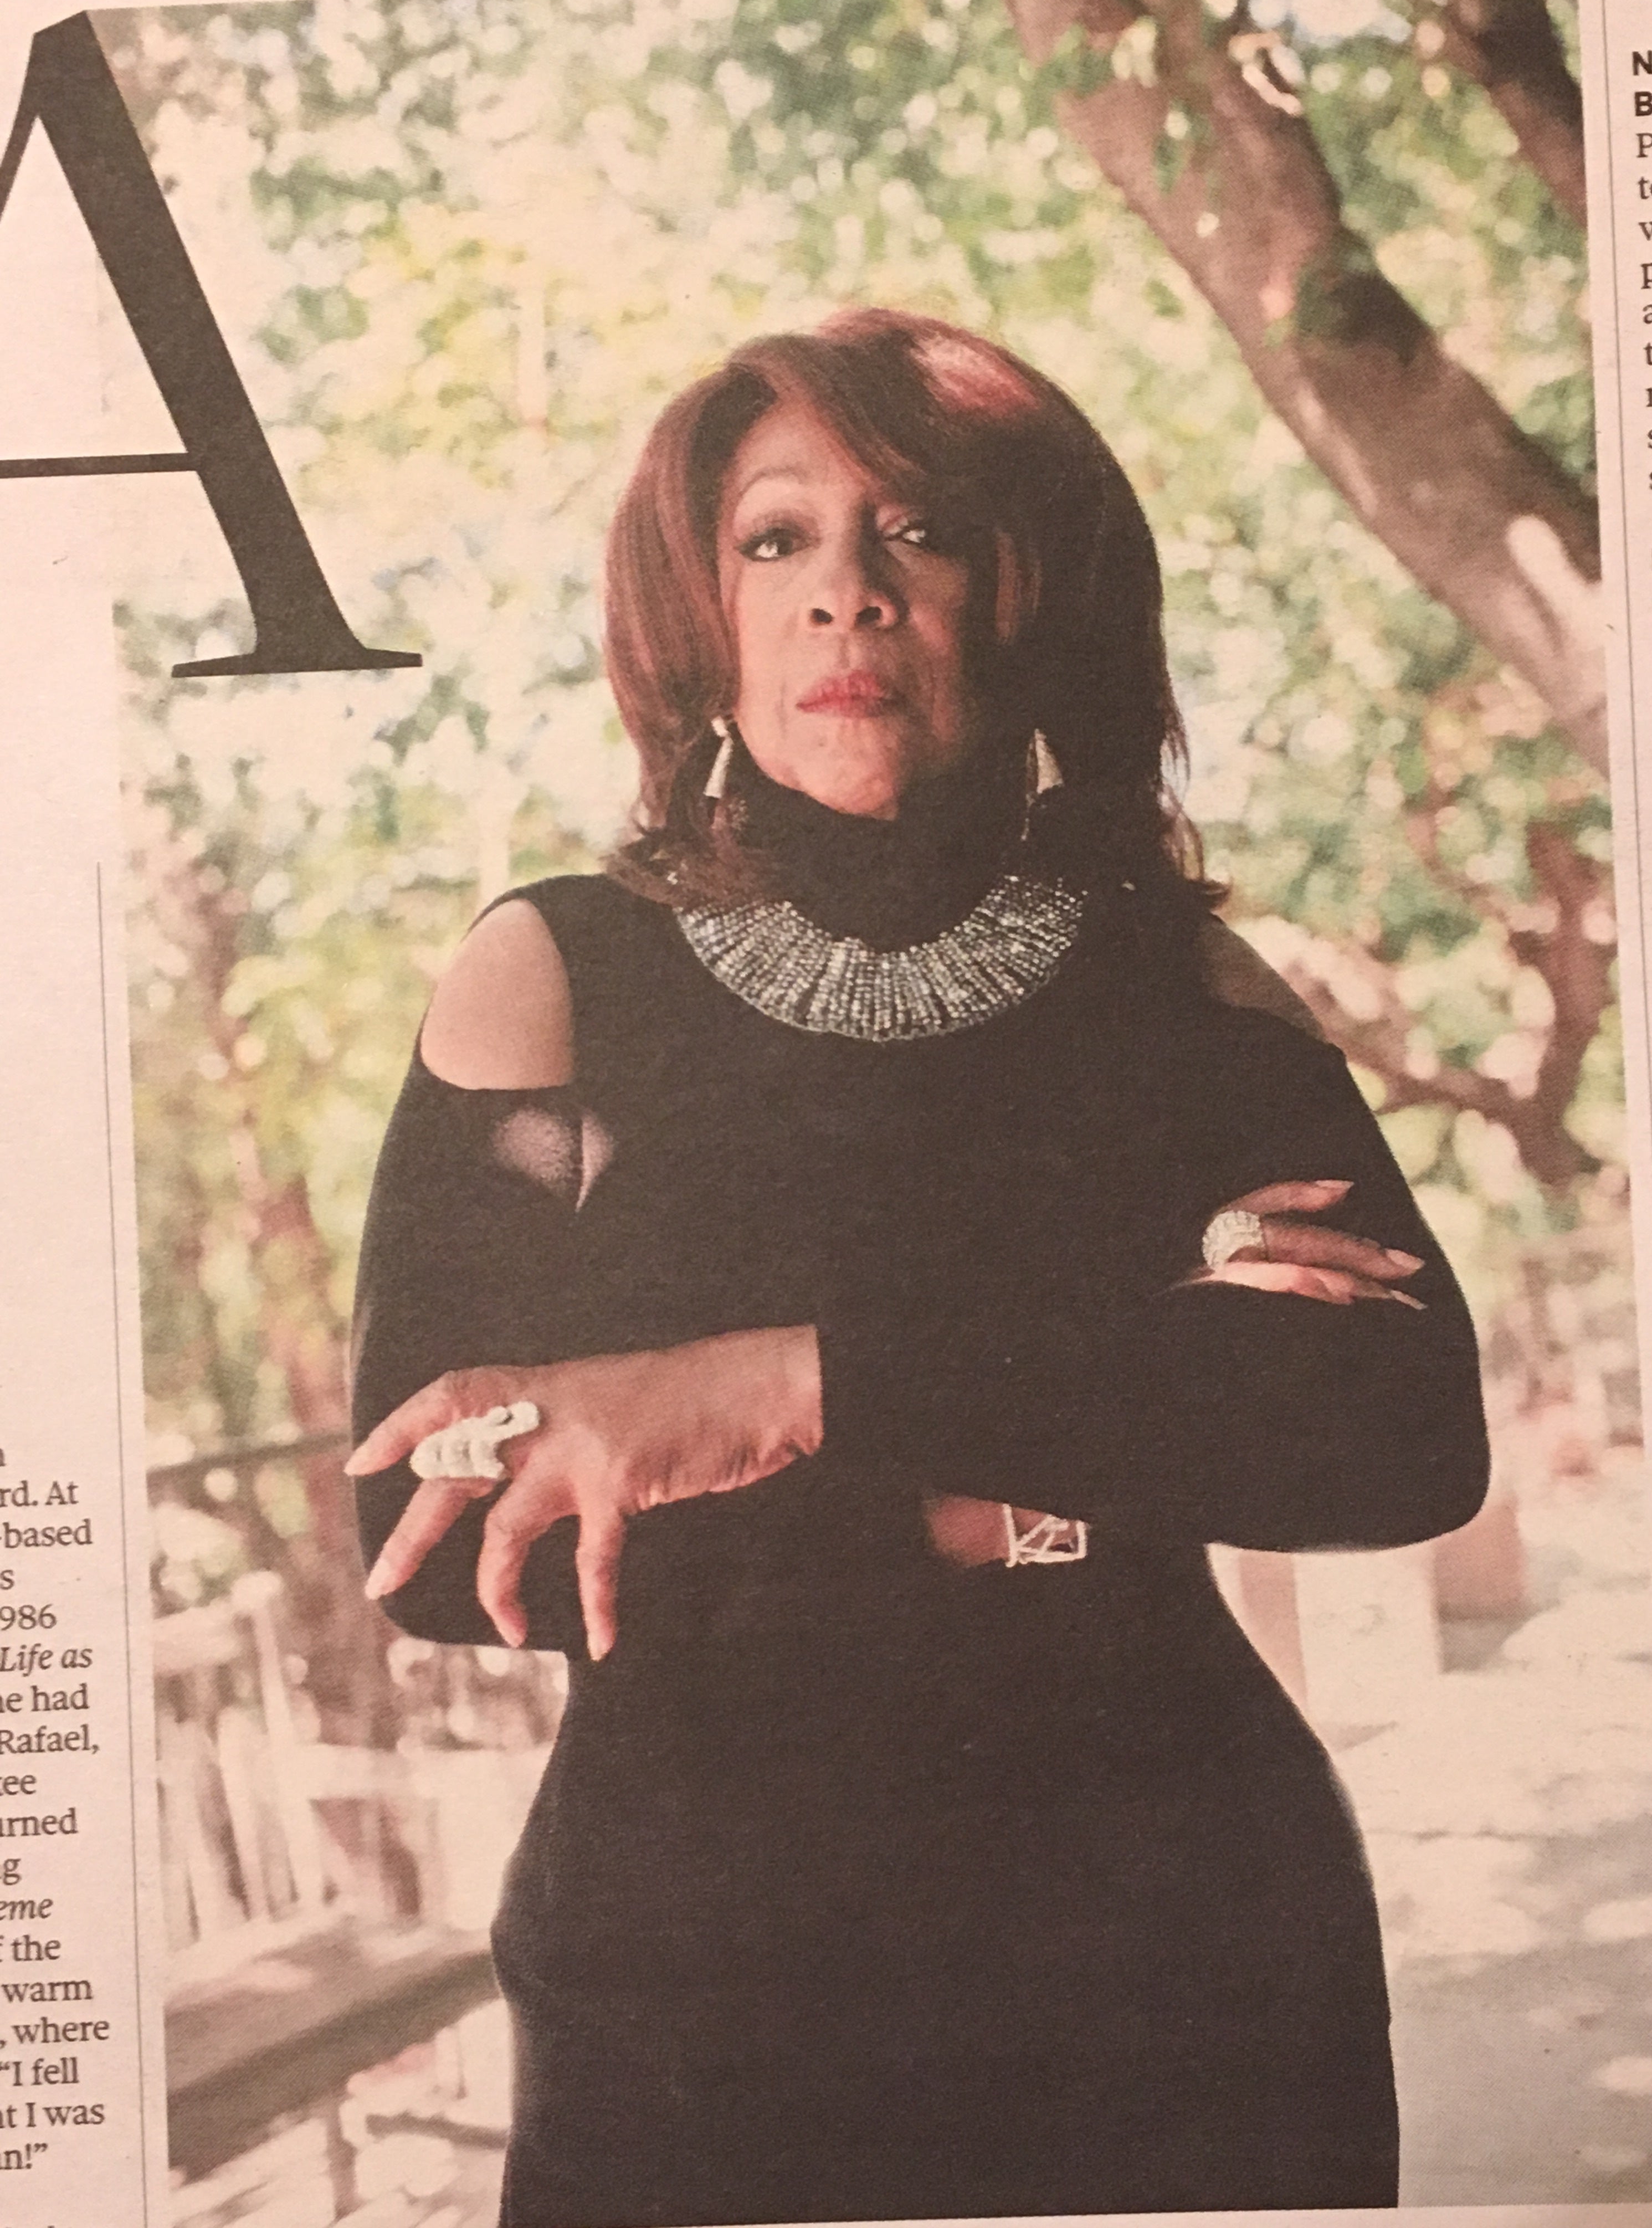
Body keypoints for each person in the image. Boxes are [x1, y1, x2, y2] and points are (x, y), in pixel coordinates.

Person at [346, 307, 1489, 2225]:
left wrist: (770, 1389)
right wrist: (1082, 1434)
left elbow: (1397, 1433)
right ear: (698, 615)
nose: (847, 594)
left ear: (1032, 596)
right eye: (775, 539)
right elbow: (438, 1542)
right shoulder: (550, 980)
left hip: (1184, 1964)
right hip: (701, 1993)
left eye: (923, 532)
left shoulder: (1187, 988)